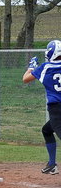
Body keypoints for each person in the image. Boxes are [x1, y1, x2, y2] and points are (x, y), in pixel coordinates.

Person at [22, 40, 61, 175]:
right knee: (47, 130)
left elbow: (26, 79)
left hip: (57, 109)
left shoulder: (46, 67)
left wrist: (31, 67)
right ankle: (51, 164)